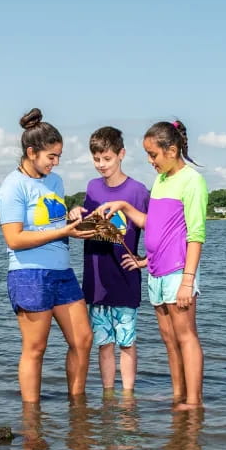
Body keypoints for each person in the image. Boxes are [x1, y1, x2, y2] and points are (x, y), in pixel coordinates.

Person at [96, 119, 208, 410]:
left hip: (178, 274)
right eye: (147, 155)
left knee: (186, 337)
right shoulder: (161, 181)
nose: (150, 161)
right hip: (156, 273)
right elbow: (153, 224)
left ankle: (194, 402)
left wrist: (187, 280)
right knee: (170, 342)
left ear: (172, 150)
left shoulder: (192, 181)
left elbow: (195, 235)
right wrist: (123, 206)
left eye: (153, 155)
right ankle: (178, 396)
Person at [0, 108, 94, 405]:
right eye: (51, 156)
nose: (55, 163)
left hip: (62, 272)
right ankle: (32, 417)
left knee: (83, 340)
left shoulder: (56, 182)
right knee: (35, 348)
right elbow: (14, 239)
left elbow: (55, 220)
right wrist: (66, 232)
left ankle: (78, 409)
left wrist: (73, 216)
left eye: (58, 157)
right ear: (31, 152)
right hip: (29, 274)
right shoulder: (12, 187)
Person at [71, 126, 150, 398]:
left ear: (121, 154)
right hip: (96, 278)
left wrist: (144, 262)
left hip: (126, 278)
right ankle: (107, 396)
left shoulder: (138, 191)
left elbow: (158, 230)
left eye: (107, 159)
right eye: (96, 159)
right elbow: (84, 226)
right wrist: (74, 215)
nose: (101, 165)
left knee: (127, 343)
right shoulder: (92, 187)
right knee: (103, 344)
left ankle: (127, 398)